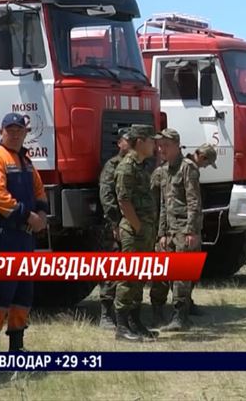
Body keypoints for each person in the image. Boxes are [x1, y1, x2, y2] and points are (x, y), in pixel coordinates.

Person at [0, 113, 49, 352]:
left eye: (19, 129)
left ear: (25, 133)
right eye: (10, 129)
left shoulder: (26, 161)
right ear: (1, 132)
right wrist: (26, 215)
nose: (15, 133)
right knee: (2, 291)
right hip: (6, 235)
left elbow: (39, 191)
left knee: (24, 292)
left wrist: (41, 214)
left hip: (26, 237)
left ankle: (16, 345)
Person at [165, 143, 217, 330]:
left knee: (184, 270)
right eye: (207, 163)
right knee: (184, 271)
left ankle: (185, 307)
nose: (205, 167)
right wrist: (192, 230)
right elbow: (194, 202)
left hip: (177, 226)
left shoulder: (178, 165)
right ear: (201, 157)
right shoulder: (190, 169)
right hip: (184, 228)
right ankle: (180, 315)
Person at [113, 124, 157, 342]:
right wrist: (138, 227)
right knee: (128, 277)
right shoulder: (127, 167)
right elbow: (123, 200)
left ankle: (135, 320)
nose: (154, 144)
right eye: (151, 140)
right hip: (133, 230)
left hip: (145, 229)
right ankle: (121, 326)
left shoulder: (141, 166)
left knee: (140, 277)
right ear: (139, 141)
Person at [97, 127, 132, 329]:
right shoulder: (112, 166)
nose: (130, 143)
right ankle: (105, 314)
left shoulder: (135, 166)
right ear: (119, 143)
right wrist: (114, 223)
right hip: (114, 225)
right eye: (127, 140)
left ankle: (124, 313)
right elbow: (107, 197)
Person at [148, 128, 183, 329]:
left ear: (176, 146)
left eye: (166, 145)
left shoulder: (185, 169)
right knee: (160, 274)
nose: (161, 149)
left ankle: (180, 314)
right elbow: (157, 204)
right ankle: (157, 312)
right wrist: (159, 233)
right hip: (160, 231)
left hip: (178, 229)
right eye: (160, 146)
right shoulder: (159, 172)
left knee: (180, 272)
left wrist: (189, 230)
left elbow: (194, 203)